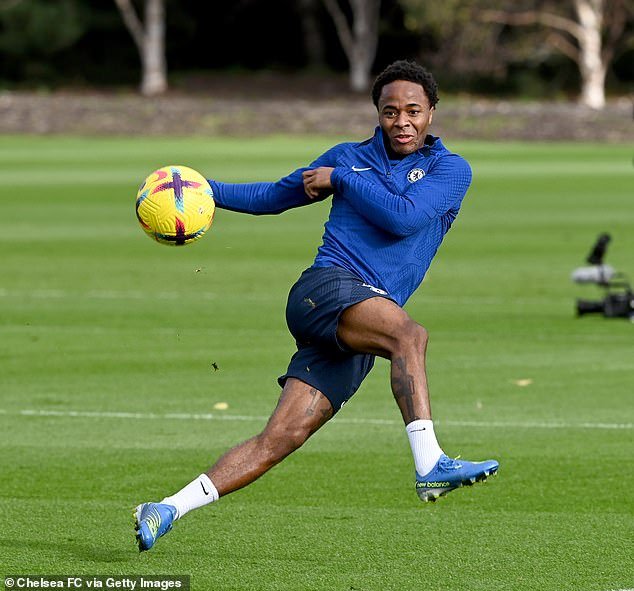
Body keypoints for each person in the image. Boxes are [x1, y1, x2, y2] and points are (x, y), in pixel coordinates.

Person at [134, 59, 499, 552]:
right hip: (327, 290)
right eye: (390, 111)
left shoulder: (451, 170)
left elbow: (405, 217)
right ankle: (430, 463)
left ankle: (166, 508)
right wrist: (202, 190)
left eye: (413, 111)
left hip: (364, 320)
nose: (402, 122)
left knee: (280, 438)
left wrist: (340, 180)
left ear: (432, 111)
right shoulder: (347, 158)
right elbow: (274, 195)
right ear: (378, 113)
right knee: (409, 336)